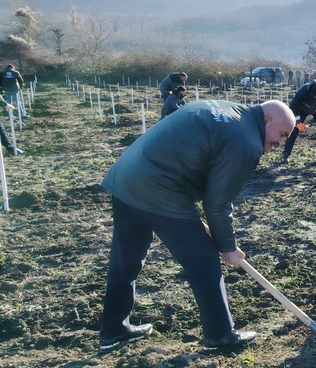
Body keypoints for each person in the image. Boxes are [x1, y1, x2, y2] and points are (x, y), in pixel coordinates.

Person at [98, 98, 296, 352]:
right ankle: (221, 335)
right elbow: (217, 203)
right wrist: (228, 248)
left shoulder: (227, 108)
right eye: (282, 134)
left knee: (126, 258)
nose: (281, 143)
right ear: (267, 120)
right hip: (161, 187)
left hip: (127, 177)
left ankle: (113, 328)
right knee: (203, 259)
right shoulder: (245, 141)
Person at [281, 79, 316, 165]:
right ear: (312, 95)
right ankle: (286, 155)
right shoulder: (303, 92)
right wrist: (298, 122)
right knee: (294, 130)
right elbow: (293, 106)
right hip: (302, 110)